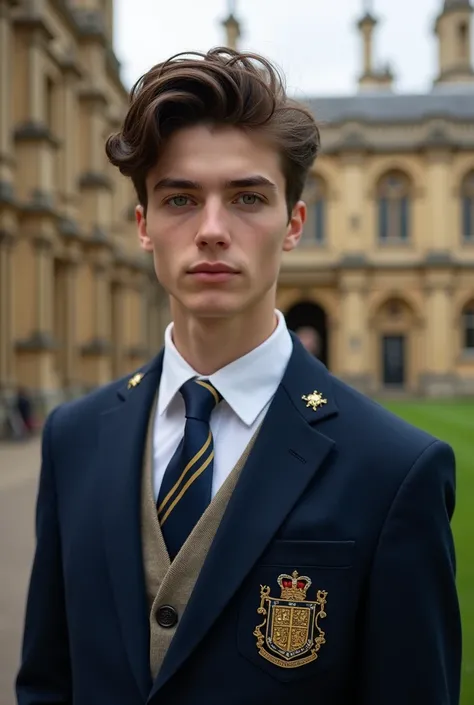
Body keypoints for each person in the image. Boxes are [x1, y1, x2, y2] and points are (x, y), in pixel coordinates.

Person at [16, 48, 461, 705]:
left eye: (248, 196)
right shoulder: (74, 437)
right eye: (180, 199)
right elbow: (48, 681)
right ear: (144, 226)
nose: (212, 230)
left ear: (294, 225)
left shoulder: (394, 468)